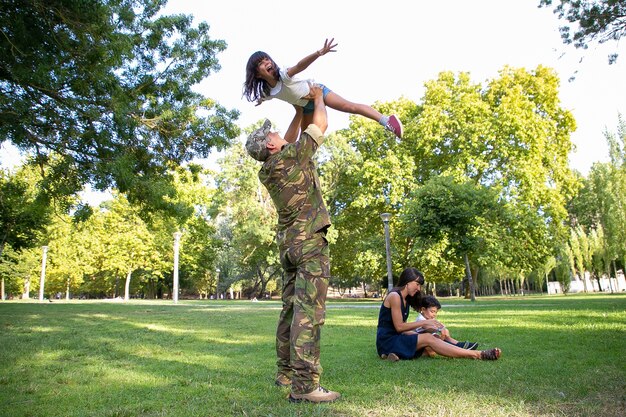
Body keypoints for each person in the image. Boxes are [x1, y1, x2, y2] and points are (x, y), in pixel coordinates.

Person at [245, 85, 340, 403]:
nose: (273, 132)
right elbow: (320, 126)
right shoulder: (292, 157)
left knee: (289, 309)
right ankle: (304, 386)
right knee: (307, 312)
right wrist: (316, 98)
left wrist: (298, 111)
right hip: (310, 243)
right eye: (270, 133)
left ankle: (285, 371)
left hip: (288, 247)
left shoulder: (271, 168)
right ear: (271, 144)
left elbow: (292, 133)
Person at [243, 38, 404, 138]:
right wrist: (260, 100)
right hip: (305, 106)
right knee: (306, 140)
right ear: (257, 74)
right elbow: (265, 96)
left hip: (317, 92)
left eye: (267, 60)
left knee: (349, 106)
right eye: (261, 64)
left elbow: (300, 65)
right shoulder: (267, 91)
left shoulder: (284, 75)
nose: (267, 63)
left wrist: (318, 53)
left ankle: (386, 120)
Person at [376, 267, 501, 361]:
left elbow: (400, 329)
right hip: (387, 341)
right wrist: (425, 322)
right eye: (417, 284)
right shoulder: (394, 296)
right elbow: (399, 327)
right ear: (407, 282)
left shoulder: (405, 299)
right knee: (429, 339)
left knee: (430, 342)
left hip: (396, 338)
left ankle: (392, 355)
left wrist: (420, 332)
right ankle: (478, 354)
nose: (419, 288)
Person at [414, 295, 478, 355]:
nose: (434, 314)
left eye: (436, 312)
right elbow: (427, 327)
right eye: (432, 311)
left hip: (429, 341)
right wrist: (439, 329)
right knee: (437, 336)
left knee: (445, 336)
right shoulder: (421, 319)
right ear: (423, 309)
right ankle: (457, 347)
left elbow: (438, 324)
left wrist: (443, 328)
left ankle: (458, 344)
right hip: (423, 344)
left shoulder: (428, 318)